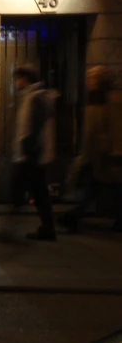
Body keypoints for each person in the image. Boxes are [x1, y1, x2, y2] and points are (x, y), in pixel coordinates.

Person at [59, 66, 122, 233]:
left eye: (93, 78)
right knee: (97, 188)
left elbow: (117, 129)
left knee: (103, 188)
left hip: (106, 156)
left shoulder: (113, 100)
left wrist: (117, 155)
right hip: (95, 155)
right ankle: (74, 215)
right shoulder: (93, 100)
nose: (89, 82)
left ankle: (74, 216)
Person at [11, 64, 57, 241]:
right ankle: (48, 228)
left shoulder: (36, 98)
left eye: (18, 79)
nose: (15, 83)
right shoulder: (33, 96)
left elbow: (34, 130)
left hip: (31, 155)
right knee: (39, 193)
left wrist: (27, 151)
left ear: (25, 79)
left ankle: (8, 228)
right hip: (32, 155)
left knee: (23, 191)